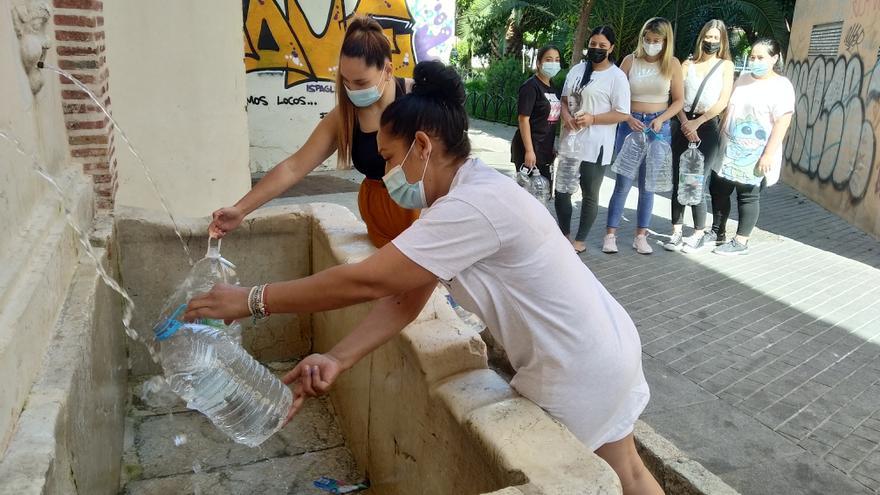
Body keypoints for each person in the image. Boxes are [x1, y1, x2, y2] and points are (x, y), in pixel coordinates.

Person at [185, 61, 663, 495]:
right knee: (630, 473)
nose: (387, 173)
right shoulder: (471, 193)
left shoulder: (469, 207)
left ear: (423, 146)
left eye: (391, 158)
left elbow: (367, 281)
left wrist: (251, 299)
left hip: (575, 369)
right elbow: (403, 299)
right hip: (609, 346)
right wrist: (336, 358)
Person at [208, 16, 418, 248]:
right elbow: (293, 167)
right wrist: (240, 210)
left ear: (387, 70)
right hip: (379, 227)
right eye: (346, 81)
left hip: (422, 221)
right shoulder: (345, 115)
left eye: (360, 82)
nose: (351, 90)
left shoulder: (417, 98)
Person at [603, 17, 684, 255]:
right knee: (623, 183)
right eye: (647, 39)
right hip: (631, 124)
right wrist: (627, 117)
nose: (651, 44)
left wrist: (661, 118)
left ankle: (641, 236)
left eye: (656, 40)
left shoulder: (673, 65)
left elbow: (679, 100)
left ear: (665, 41)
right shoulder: (630, 60)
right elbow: (614, 93)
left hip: (658, 127)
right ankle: (610, 234)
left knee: (648, 185)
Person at [709, 38, 794, 256]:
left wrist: (768, 154)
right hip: (729, 148)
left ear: (774, 58)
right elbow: (729, 109)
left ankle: (741, 241)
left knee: (747, 194)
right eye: (752, 57)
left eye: (760, 57)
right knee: (718, 189)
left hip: (756, 152)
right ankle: (717, 232)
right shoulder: (744, 79)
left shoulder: (781, 86)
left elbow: (782, 122)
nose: (755, 61)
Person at [555, 26, 631, 254]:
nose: (596, 49)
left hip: (596, 146)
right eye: (593, 44)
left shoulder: (617, 77)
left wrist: (593, 118)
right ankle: (564, 235)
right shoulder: (577, 70)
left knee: (589, 193)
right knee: (562, 191)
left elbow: (623, 113)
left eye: (602, 46)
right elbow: (565, 99)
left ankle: (580, 240)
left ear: (611, 48)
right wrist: (566, 116)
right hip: (571, 143)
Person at [664, 20, 734, 253]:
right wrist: (685, 123)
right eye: (708, 36)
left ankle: (698, 233)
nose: (711, 41)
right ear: (701, 37)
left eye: (715, 38)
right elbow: (676, 97)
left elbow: (722, 102)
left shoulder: (726, 66)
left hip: (706, 125)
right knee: (678, 179)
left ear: (722, 41)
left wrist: (698, 122)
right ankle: (675, 231)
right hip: (682, 125)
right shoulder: (687, 64)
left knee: (696, 181)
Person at [511, 44, 562, 184]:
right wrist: (529, 150)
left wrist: (551, 146)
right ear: (539, 63)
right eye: (549, 59)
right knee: (528, 197)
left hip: (545, 150)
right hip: (529, 150)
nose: (554, 63)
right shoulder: (530, 87)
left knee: (543, 195)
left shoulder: (553, 87)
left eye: (557, 60)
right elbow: (523, 119)